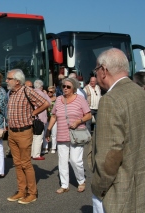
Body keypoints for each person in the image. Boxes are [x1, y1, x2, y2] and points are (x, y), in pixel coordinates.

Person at [88, 48, 145, 212]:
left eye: (96, 70)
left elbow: (110, 157)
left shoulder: (110, 100)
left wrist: (98, 188)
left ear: (104, 70)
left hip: (118, 192)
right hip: (138, 187)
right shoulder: (139, 92)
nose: (96, 75)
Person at [6, 69, 49, 204]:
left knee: (26, 164)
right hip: (12, 132)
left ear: (17, 81)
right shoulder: (11, 92)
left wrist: (33, 113)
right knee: (17, 164)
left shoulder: (27, 91)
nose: (6, 81)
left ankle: (32, 193)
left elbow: (46, 103)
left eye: (9, 78)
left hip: (24, 132)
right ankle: (21, 191)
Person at [45, 77, 91, 194]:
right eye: (63, 86)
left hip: (76, 134)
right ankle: (64, 185)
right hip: (62, 134)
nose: (65, 88)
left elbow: (88, 115)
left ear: (74, 88)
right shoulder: (59, 99)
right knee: (62, 160)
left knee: (75, 160)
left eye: (68, 87)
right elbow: (54, 116)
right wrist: (49, 129)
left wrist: (78, 121)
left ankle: (81, 181)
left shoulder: (80, 99)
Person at [30, 79, 51, 160]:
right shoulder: (43, 94)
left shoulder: (31, 93)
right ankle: (36, 154)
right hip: (40, 119)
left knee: (32, 137)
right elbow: (48, 103)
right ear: (41, 87)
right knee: (38, 137)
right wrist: (46, 94)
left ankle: (32, 153)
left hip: (31, 117)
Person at [46, 86, 57, 154]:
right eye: (48, 91)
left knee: (54, 134)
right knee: (46, 133)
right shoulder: (45, 98)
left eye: (51, 92)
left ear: (54, 92)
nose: (49, 93)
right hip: (47, 118)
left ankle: (53, 147)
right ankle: (45, 147)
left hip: (54, 117)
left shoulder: (57, 99)